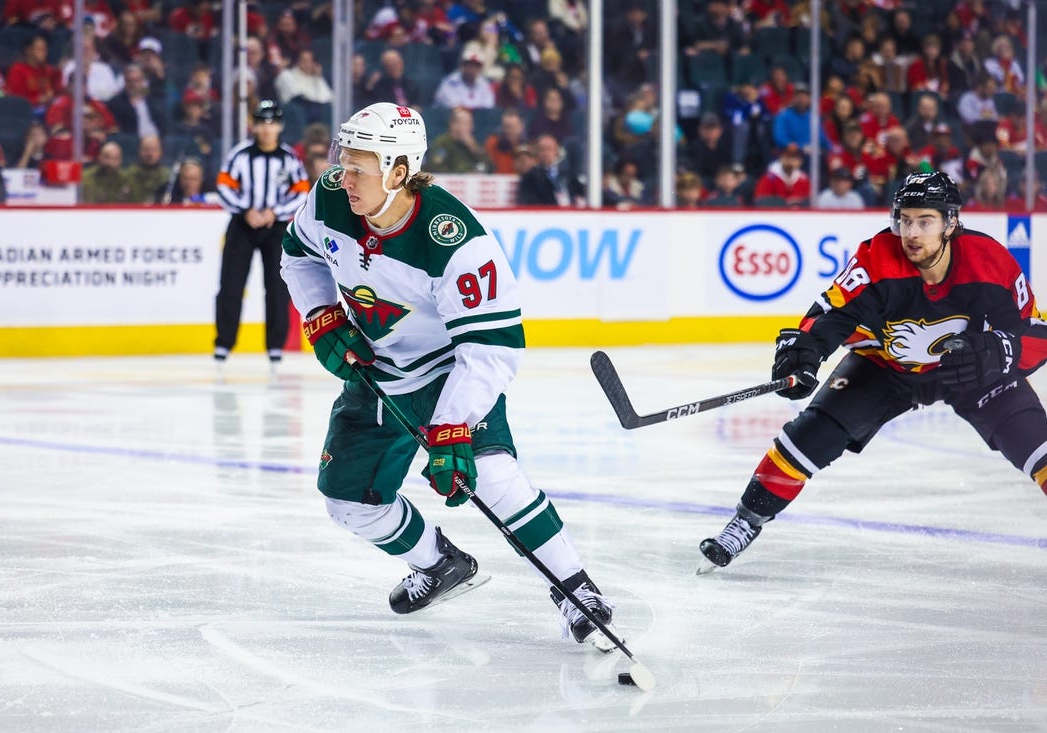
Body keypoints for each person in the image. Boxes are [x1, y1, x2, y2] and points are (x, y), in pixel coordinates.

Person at [278, 102, 620, 649]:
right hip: (377, 373)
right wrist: (321, 314)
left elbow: (492, 347)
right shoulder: (327, 196)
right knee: (348, 501)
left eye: (360, 167)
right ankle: (440, 565)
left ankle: (577, 592)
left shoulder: (456, 240)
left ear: (397, 171)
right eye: (343, 161)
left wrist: (453, 425)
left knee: (494, 477)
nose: (345, 178)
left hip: (449, 373)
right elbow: (298, 254)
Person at [697, 171, 1047, 572]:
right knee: (811, 435)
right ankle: (746, 521)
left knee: (1037, 444)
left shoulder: (990, 261)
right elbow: (831, 315)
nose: (911, 233)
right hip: (886, 367)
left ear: (951, 223)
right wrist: (805, 352)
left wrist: (999, 351)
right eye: (904, 220)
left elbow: (1035, 335)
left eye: (925, 221)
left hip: (969, 371)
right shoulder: (878, 257)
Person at [213, 99, 310, 364]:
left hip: (276, 228)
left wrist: (274, 213)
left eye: (272, 124)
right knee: (231, 284)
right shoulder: (239, 154)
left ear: (280, 126)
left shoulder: (289, 158)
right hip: (242, 226)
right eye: (261, 123)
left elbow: (301, 191)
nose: (267, 129)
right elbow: (223, 186)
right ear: (253, 126)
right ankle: (224, 343)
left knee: (277, 286)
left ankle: (275, 346)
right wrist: (246, 210)